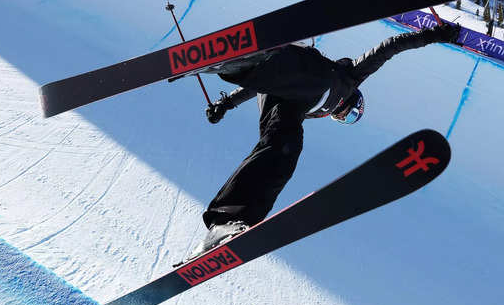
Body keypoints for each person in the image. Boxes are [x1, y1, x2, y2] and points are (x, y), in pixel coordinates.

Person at [188, 23, 460, 258]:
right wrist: (434, 35)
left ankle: (227, 222)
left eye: (347, 119)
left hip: (282, 99)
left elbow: (259, 89)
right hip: (304, 68)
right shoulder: (351, 78)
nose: (344, 115)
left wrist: (226, 105)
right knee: (288, 83)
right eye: (352, 112)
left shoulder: (310, 111)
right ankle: (251, 59)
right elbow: (390, 47)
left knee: (285, 148)